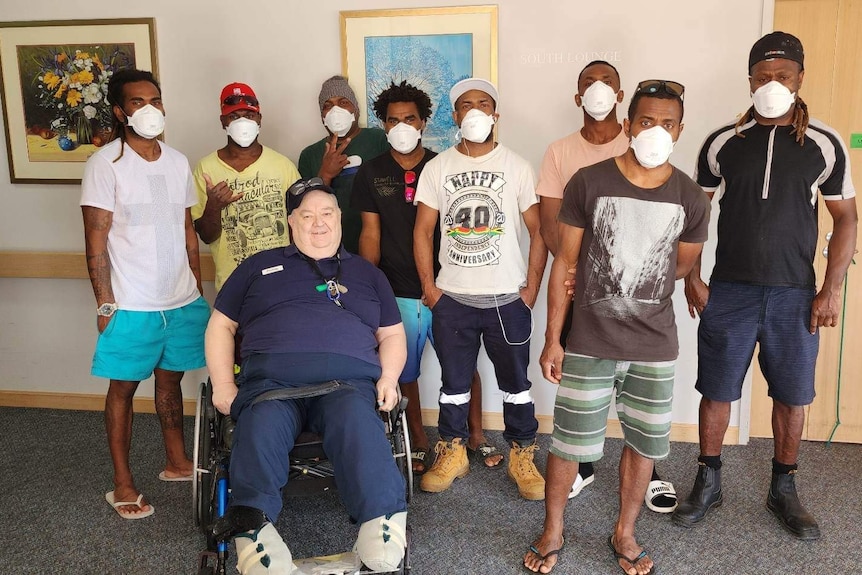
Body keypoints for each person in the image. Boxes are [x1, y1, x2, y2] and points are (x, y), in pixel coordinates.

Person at [672, 32, 857, 541]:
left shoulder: (825, 142)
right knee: (716, 390)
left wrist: (832, 288)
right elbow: (694, 215)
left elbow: (846, 219)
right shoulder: (721, 142)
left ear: (799, 79)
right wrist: (692, 275)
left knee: (792, 395)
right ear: (749, 79)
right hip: (729, 291)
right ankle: (708, 480)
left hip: (795, 292)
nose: (772, 85)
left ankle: (784, 488)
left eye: (783, 77)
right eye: (762, 77)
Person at [525, 80, 710, 575]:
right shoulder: (589, 181)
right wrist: (552, 339)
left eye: (667, 124)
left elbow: (680, 266)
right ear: (628, 125)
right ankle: (553, 529)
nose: (656, 132)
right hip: (589, 340)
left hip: (653, 344)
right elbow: (565, 266)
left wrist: (631, 270)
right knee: (568, 443)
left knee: (643, 444)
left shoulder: (691, 197)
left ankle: (624, 532)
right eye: (646, 122)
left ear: (680, 130)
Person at [205, 178, 409, 574]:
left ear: (340, 219)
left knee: (357, 425)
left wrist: (388, 378)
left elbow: (392, 334)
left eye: (327, 213)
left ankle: (380, 525)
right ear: (291, 222)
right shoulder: (257, 267)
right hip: (270, 385)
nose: (319, 223)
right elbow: (220, 326)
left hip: (346, 383)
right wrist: (225, 383)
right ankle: (256, 535)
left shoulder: (368, 275)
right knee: (259, 428)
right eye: (307, 215)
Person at [536, 60, 676, 510]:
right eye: (588, 84)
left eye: (608, 82)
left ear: (620, 96)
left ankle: (649, 471)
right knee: (583, 383)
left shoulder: (643, 143)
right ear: (578, 96)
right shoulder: (562, 152)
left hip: (636, 293)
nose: (598, 90)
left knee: (641, 392)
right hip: (579, 281)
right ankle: (583, 464)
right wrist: (576, 266)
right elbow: (553, 222)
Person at [351, 80, 503, 476]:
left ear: (424, 122)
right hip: (396, 291)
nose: (402, 126)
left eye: (410, 119)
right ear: (384, 125)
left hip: (450, 289)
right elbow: (370, 232)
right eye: (393, 120)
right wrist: (370, 289)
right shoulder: (372, 173)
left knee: (463, 366)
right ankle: (417, 439)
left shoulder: (443, 165)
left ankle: (475, 435)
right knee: (404, 371)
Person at [80, 69, 210, 520]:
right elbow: (95, 240)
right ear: (120, 112)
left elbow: (187, 231)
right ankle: (122, 484)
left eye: (154, 99)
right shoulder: (105, 164)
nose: (149, 108)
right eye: (137, 102)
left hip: (180, 298)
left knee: (171, 379)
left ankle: (176, 461)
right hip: (132, 302)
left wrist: (195, 288)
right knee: (123, 389)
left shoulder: (177, 161)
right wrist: (105, 302)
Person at [413, 78, 547, 500]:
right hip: (453, 299)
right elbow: (423, 232)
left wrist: (531, 290)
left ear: (495, 115)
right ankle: (452, 453)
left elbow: (539, 232)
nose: (474, 112)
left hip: (507, 299)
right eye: (465, 105)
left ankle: (522, 455)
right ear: (454, 116)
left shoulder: (518, 166)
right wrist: (432, 291)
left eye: (483, 104)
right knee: (453, 385)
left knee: (517, 384)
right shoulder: (437, 168)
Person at [192, 82, 300, 291]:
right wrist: (214, 205)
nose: (243, 122)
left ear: (259, 119)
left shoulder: (283, 166)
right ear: (223, 121)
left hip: (281, 280)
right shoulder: (206, 169)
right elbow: (206, 236)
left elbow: (299, 224)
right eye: (234, 116)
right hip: (233, 285)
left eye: (249, 116)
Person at [298, 75, 389, 254]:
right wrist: (324, 175)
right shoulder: (310, 154)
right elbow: (304, 212)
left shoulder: (378, 140)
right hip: (329, 249)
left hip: (379, 245)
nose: (335, 110)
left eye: (343, 102)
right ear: (322, 116)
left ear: (355, 109)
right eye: (328, 105)